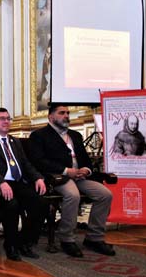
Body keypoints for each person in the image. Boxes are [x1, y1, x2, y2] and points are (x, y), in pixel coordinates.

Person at [29, 104, 115, 257]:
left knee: (105, 194)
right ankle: (67, 238)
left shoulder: (75, 135)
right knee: (72, 195)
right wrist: (67, 171)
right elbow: (38, 161)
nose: (66, 116)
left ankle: (94, 238)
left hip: (79, 177)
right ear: (51, 117)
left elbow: (86, 160)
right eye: (62, 113)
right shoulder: (39, 135)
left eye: (68, 113)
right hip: (57, 178)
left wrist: (85, 170)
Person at [0, 108, 48, 261]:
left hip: (17, 183)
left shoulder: (14, 141)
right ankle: (11, 245)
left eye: (8, 118)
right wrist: (1, 182)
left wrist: (38, 177)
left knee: (41, 202)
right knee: (12, 205)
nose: (6, 121)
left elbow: (25, 163)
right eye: (2, 118)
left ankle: (25, 241)